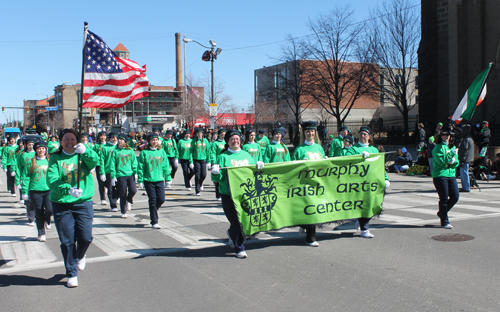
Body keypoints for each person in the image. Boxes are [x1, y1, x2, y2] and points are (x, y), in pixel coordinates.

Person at [47, 128, 99, 288]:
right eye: (66, 139)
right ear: (60, 142)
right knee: (67, 241)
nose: (69, 142)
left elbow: (94, 162)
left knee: (85, 237)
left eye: (72, 139)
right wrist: (67, 189)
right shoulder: (55, 158)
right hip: (62, 203)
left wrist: (86, 152)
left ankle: (81, 254)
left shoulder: (82, 154)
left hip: (83, 202)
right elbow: (52, 179)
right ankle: (71, 273)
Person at [211, 129, 264, 258]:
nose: (235, 141)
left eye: (237, 139)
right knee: (235, 220)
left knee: (241, 221)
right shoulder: (223, 157)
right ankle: (238, 245)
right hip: (228, 194)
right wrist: (215, 173)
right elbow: (217, 180)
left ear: (240, 141)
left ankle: (235, 240)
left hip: (245, 194)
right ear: (228, 142)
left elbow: (253, 175)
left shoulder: (247, 155)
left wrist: (259, 167)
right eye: (232, 139)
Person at [345, 126, 390, 238]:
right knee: (363, 205)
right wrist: (359, 157)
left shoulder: (374, 150)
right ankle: (364, 229)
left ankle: (361, 221)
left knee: (374, 204)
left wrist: (385, 178)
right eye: (361, 134)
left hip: (372, 183)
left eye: (365, 134)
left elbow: (380, 166)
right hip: (359, 184)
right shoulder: (353, 149)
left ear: (369, 137)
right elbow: (346, 160)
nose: (362, 136)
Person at [292, 121, 325, 247]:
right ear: (304, 133)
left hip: (318, 184)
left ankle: (303, 225)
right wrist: (301, 164)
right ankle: (311, 238)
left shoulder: (319, 148)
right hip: (305, 185)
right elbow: (293, 169)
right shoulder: (300, 149)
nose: (310, 133)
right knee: (311, 210)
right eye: (307, 131)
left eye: (312, 131)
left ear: (315, 133)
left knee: (314, 210)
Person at [137, 133, 171, 229]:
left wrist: (168, 178)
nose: (154, 142)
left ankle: (153, 211)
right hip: (149, 180)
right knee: (152, 200)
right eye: (152, 140)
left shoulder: (161, 151)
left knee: (161, 199)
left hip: (159, 179)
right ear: (149, 141)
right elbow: (141, 167)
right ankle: (154, 221)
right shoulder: (144, 152)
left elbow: (166, 166)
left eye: (156, 140)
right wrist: (140, 179)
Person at [22, 141, 52, 242]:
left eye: (43, 148)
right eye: (39, 148)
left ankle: (48, 219)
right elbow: (26, 177)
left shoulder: (50, 161)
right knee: (39, 212)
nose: (41, 150)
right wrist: (24, 191)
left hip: (48, 190)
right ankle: (41, 233)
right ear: (36, 150)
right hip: (35, 191)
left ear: (46, 150)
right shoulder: (31, 162)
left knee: (50, 210)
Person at [432, 126, 459, 229]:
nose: (445, 136)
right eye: (443, 134)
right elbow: (440, 161)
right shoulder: (438, 147)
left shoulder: (452, 147)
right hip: (440, 175)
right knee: (444, 198)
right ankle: (444, 221)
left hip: (451, 175)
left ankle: (442, 213)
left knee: (455, 197)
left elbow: (456, 162)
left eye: (447, 134)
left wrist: (453, 161)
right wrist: (450, 156)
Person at [110, 133, 138, 218]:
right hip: (120, 175)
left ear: (125, 141)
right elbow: (112, 164)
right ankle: (123, 211)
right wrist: (113, 176)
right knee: (122, 193)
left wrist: (135, 172)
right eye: (118, 139)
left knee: (133, 190)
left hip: (130, 174)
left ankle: (128, 200)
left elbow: (134, 162)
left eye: (121, 139)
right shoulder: (115, 151)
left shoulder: (130, 150)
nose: (119, 140)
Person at [15, 138, 37, 224]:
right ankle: (31, 218)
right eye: (29, 145)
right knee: (29, 200)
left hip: (37, 180)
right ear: (26, 145)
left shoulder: (37, 154)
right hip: (26, 179)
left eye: (32, 144)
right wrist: (18, 180)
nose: (31, 146)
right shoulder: (22, 154)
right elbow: (18, 167)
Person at [99, 131, 119, 212]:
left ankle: (117, 198)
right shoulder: (105, 147)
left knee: (120, 188)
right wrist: (102, 172)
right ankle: (113, 205)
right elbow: (102, 160)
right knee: (110, 189)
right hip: (108, 171)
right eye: (112, 137)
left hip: (119, 171)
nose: (115, 139)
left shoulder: (119, 147)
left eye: (116, 137)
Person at [190, 128, 210, 196]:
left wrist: (209, 161)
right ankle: (197, 190)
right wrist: (191, 162)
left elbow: (208, 151)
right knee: (197, 175)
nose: (199, 135)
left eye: (200, 133)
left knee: (203, 174)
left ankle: (201, 183)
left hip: (203, 160)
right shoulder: (193, 141)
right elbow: (191, 152)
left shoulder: (206, 141)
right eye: (198, 133)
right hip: (196, 159)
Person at [209, 129, 227, 200]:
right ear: (219, 135)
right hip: (218, 162)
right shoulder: (215, 143)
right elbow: (212, 153)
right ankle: (218, 195)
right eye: (222, 134)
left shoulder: (227, 143)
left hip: (225, 162)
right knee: (218, 179)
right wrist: (213, 162)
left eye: (224, 134)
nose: (223, 136)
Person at [93, 131, 108, 205]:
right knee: (101, 183)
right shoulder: (96, 146)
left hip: (107, 166)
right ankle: (103, 198)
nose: (103, 137)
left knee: (109, 182)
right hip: (99, 166)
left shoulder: (108, 145)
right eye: (101, 136)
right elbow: (93, 156)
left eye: (104, 136)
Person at [458, 124, 474, 192]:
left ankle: (466, 187)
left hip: (465, 159)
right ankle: (465, 186)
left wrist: (462, 159)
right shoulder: (470, 138)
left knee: (464, 173)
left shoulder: (466, 139)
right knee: (464, 172)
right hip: (468, 159)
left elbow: (464, 150)